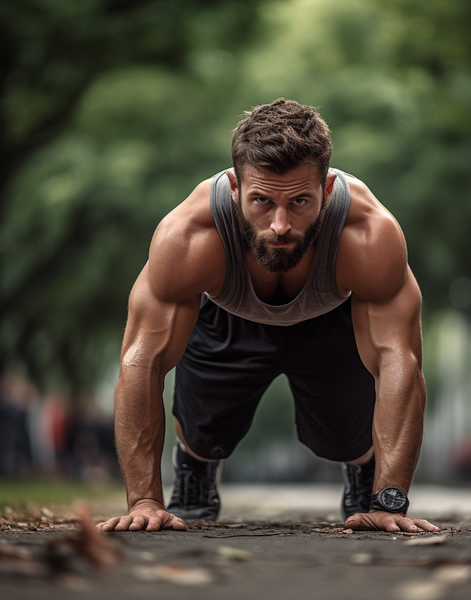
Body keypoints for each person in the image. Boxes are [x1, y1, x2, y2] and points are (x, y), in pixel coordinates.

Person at [97, 99, 439, 534]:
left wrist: (391, 499)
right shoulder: (188, 236)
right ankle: (196, 467)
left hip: (332, 322)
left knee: (349, 437)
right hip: (226, 320)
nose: (280, 224)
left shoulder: (369, 236)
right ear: (235, 188)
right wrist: (144, 499)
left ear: (328, 191)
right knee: (206, 430)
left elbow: (401, 363)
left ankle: (364, 471)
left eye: (299, 201)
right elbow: (140, 361)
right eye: (261, 200)